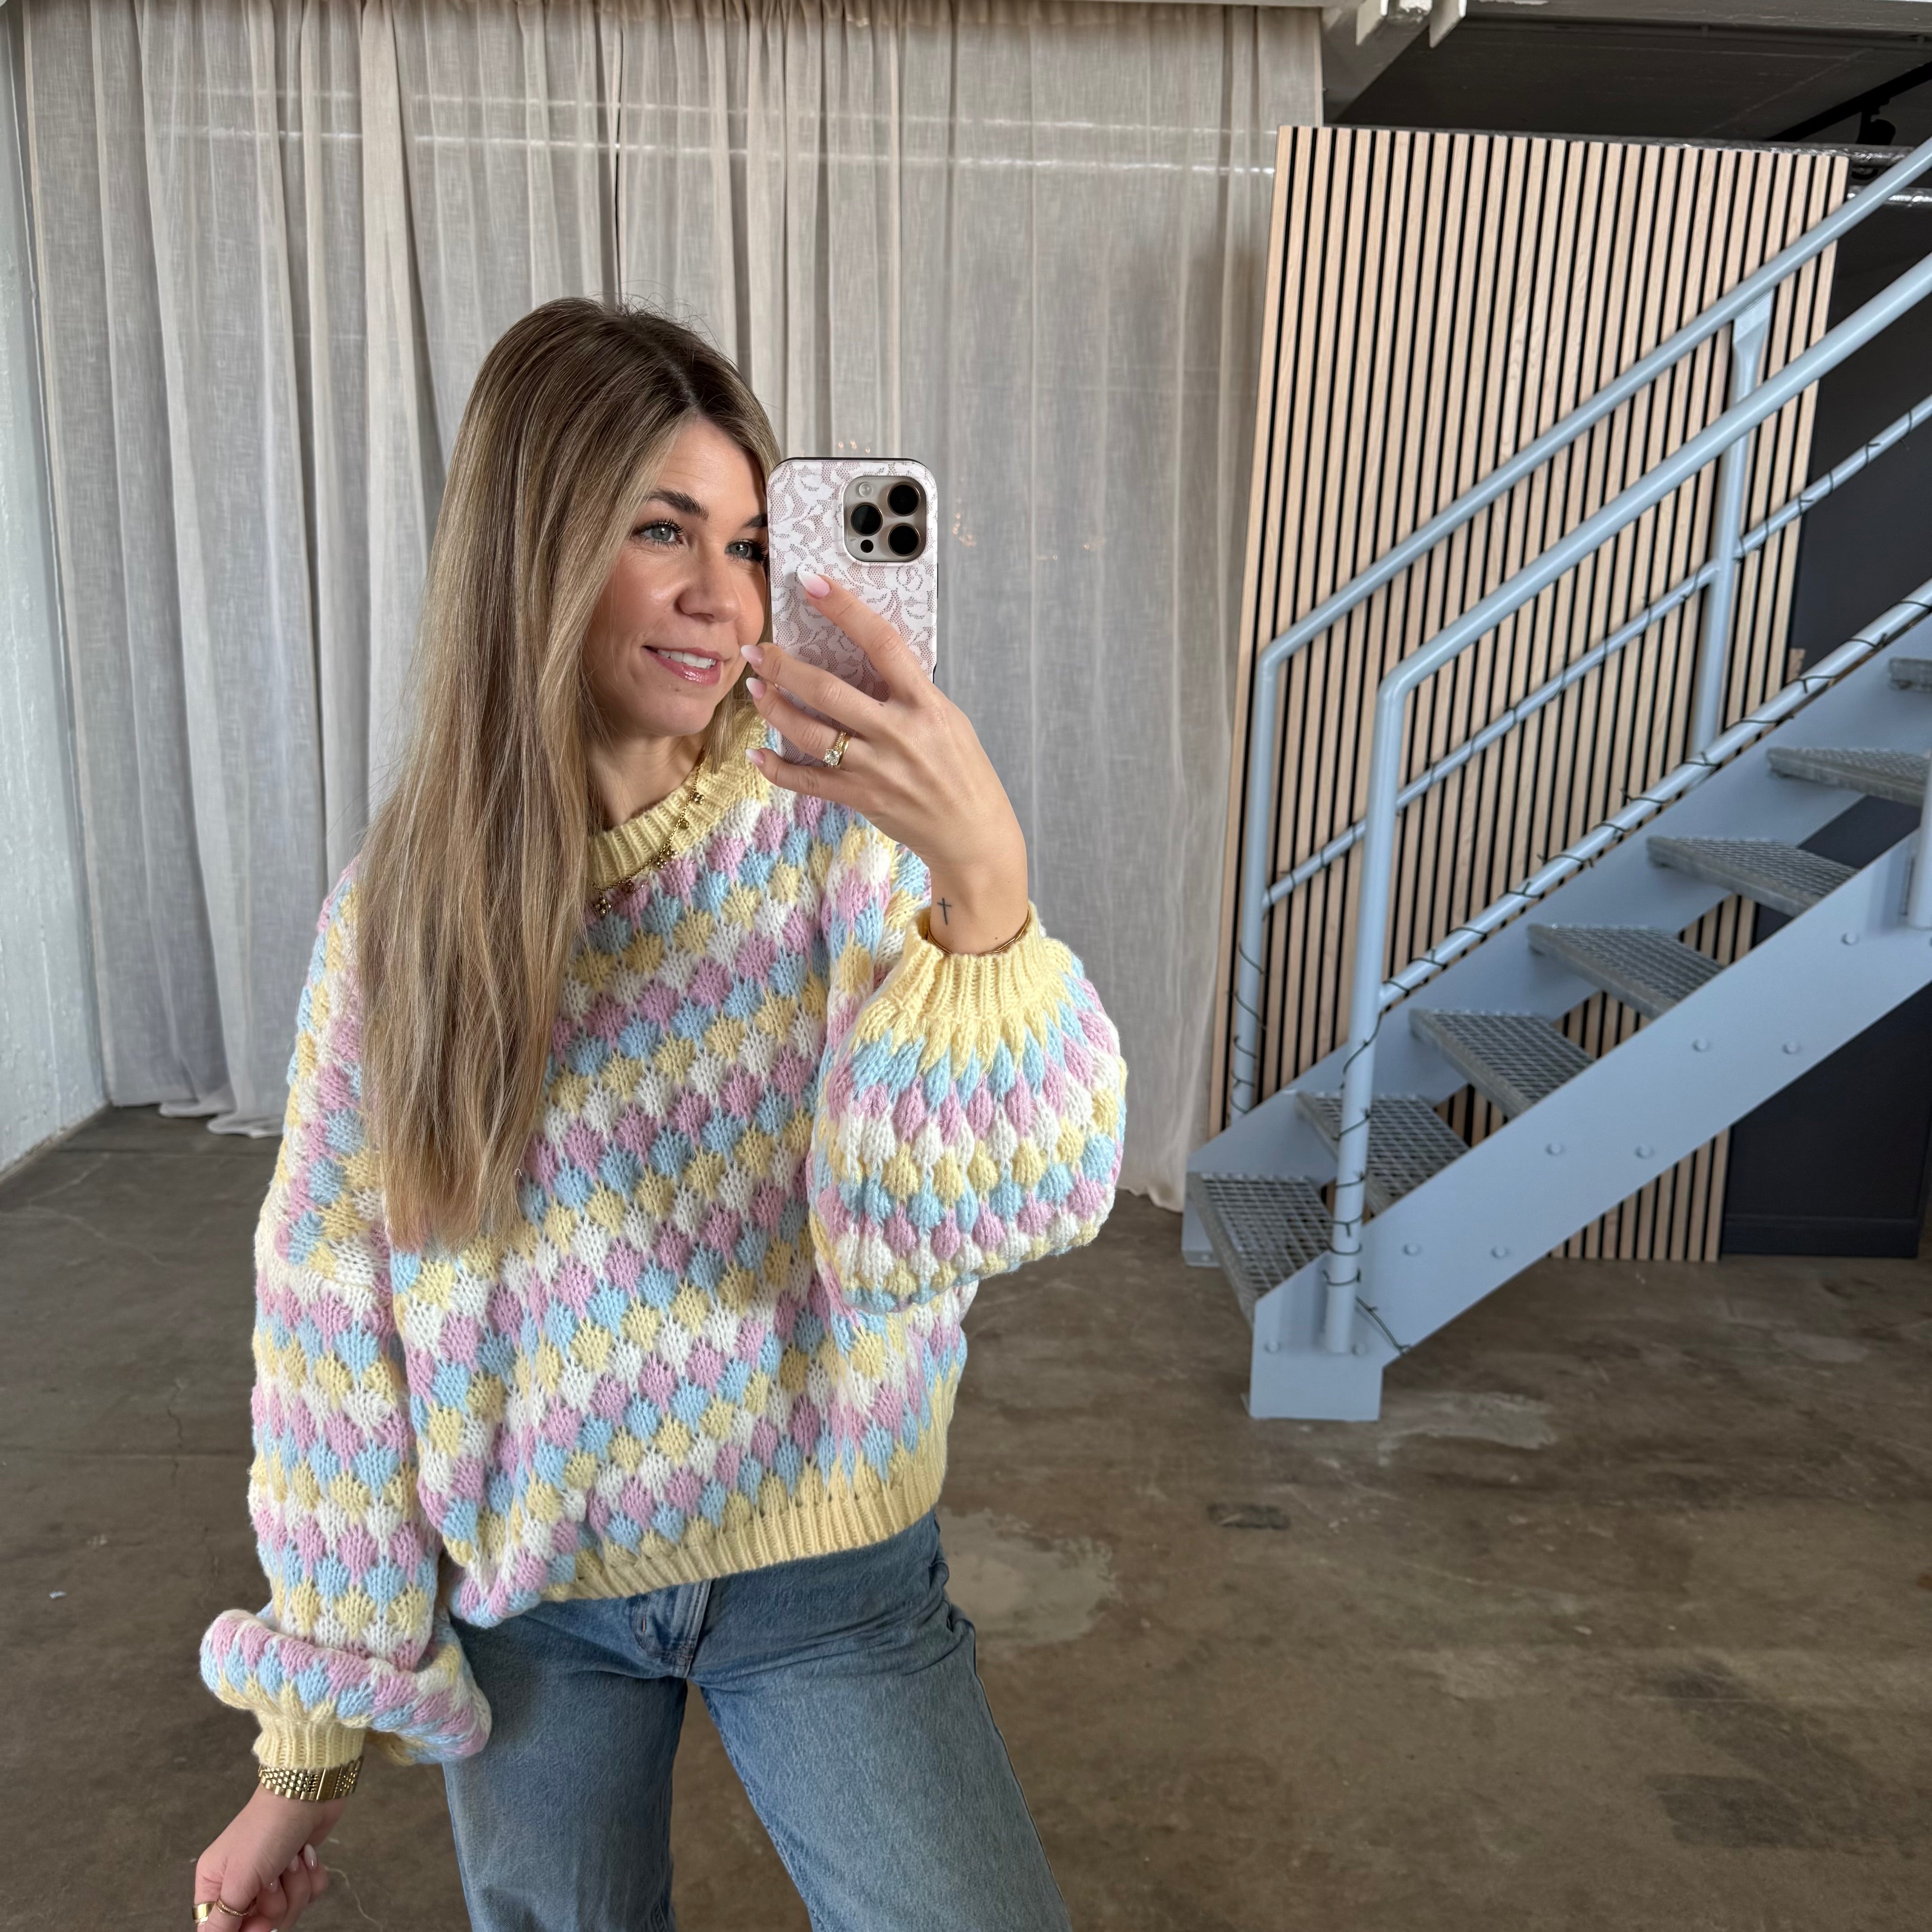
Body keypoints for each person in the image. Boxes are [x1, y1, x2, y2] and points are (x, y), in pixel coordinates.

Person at [188, 298, 1127, 1932]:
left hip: (824, 1564)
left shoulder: (838, 832)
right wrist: (304, 1751)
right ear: (536, 553)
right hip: (536, 1601)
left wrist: (984, 887)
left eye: (753, 543)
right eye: (662, 530)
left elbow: (956, 1222)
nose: (724, 596)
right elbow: (333, 1310)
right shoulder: (405, 918)